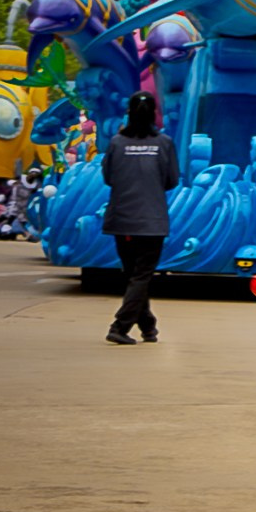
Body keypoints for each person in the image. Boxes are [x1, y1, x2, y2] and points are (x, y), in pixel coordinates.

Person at [101, 92, 180, 345]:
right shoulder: (164, 143)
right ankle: (120, 326)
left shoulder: (116, 143)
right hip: (151, 221)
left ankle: (148, 325)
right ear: (154, 113)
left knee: (132, 274)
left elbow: (108, 177)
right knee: (141, 275)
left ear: (129, 113)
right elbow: (172, 180)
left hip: (121, 218)